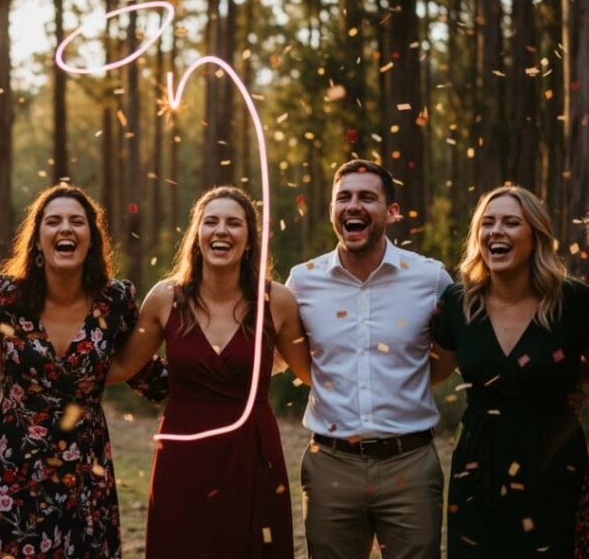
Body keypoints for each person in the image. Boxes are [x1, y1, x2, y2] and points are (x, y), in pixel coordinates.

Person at [0, 185, 166, 558]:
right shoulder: (4, 297)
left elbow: (146, 375)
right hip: (15, 465)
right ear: (38, 240)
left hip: (85, 466)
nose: (65, 229)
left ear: (92, 239)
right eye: (53, 221)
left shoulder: (115, 300)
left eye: (77, 221)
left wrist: (224, 373)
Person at [108, 185, 312, 558]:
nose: (221, 230)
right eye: (211, 221)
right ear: (196, 235)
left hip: (252, 451)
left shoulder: (277, 301)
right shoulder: (164, 298)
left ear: (249, 240)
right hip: (182, 455)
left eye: (234, 223)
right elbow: (121, 366)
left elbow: (315, 374)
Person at [286, 159, 452, 559]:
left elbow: (447, 359)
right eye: (343, 197)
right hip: (331, 466)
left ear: (392, 212)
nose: (353, 205)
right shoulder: (302, 281)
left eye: (367, 197)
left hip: (409, 464)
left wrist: (402, 388)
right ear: (331, 211)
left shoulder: (430, 279)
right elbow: (296, 359)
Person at [431, 186, 589, 557]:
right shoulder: (458, 302)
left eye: (511, 222)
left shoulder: (574, 301)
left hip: (553, 458)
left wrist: (567, 380)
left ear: (536, 236)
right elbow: (433, 372)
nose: (495, 231)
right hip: (478, 462)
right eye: (487, 223)